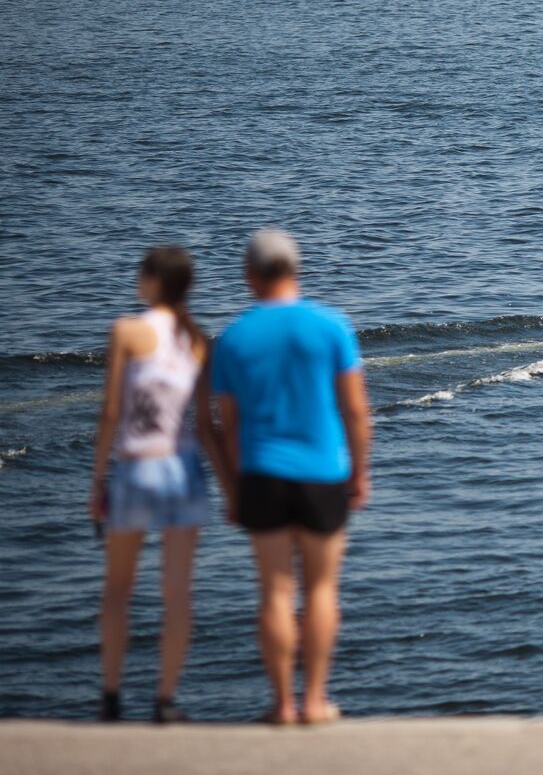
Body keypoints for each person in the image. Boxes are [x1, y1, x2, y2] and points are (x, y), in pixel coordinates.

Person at [212, 229, 372, 725]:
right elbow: (355, 412)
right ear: (296, 270)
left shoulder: (233, 337)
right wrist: (360, 474)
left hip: (262, 473)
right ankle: (315, 700)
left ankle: (281, 704)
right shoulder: (332, 327)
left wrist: (234, 488)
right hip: (324, 472)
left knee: (275, 591)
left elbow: (228, 427)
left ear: (250, 275)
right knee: (322, 589)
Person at [91, 246, 226, 723]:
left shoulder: (127, 330)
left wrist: (96, 482)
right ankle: (165, 701)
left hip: (137, 467)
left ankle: (111, 699)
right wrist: (230, 488)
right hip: (183, 470)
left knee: (118, 591)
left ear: (151, 281)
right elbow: (207, 429)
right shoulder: (199, 340)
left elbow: (111, 413)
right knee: (178, 592)